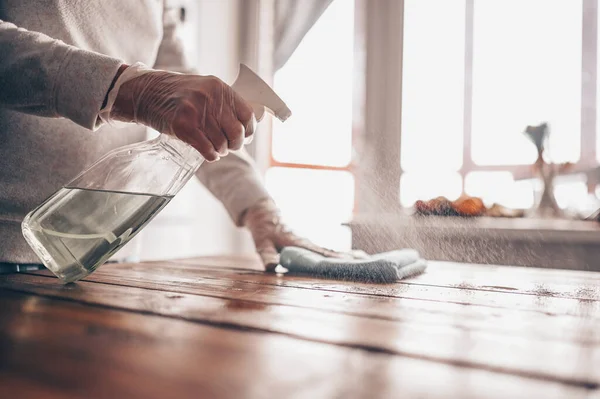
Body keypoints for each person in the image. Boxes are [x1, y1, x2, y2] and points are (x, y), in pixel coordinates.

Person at [0, 1, 345, 273]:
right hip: (9, 249)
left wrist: (257, 205)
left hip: (109, 254)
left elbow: (185, 86)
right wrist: (128, 90)